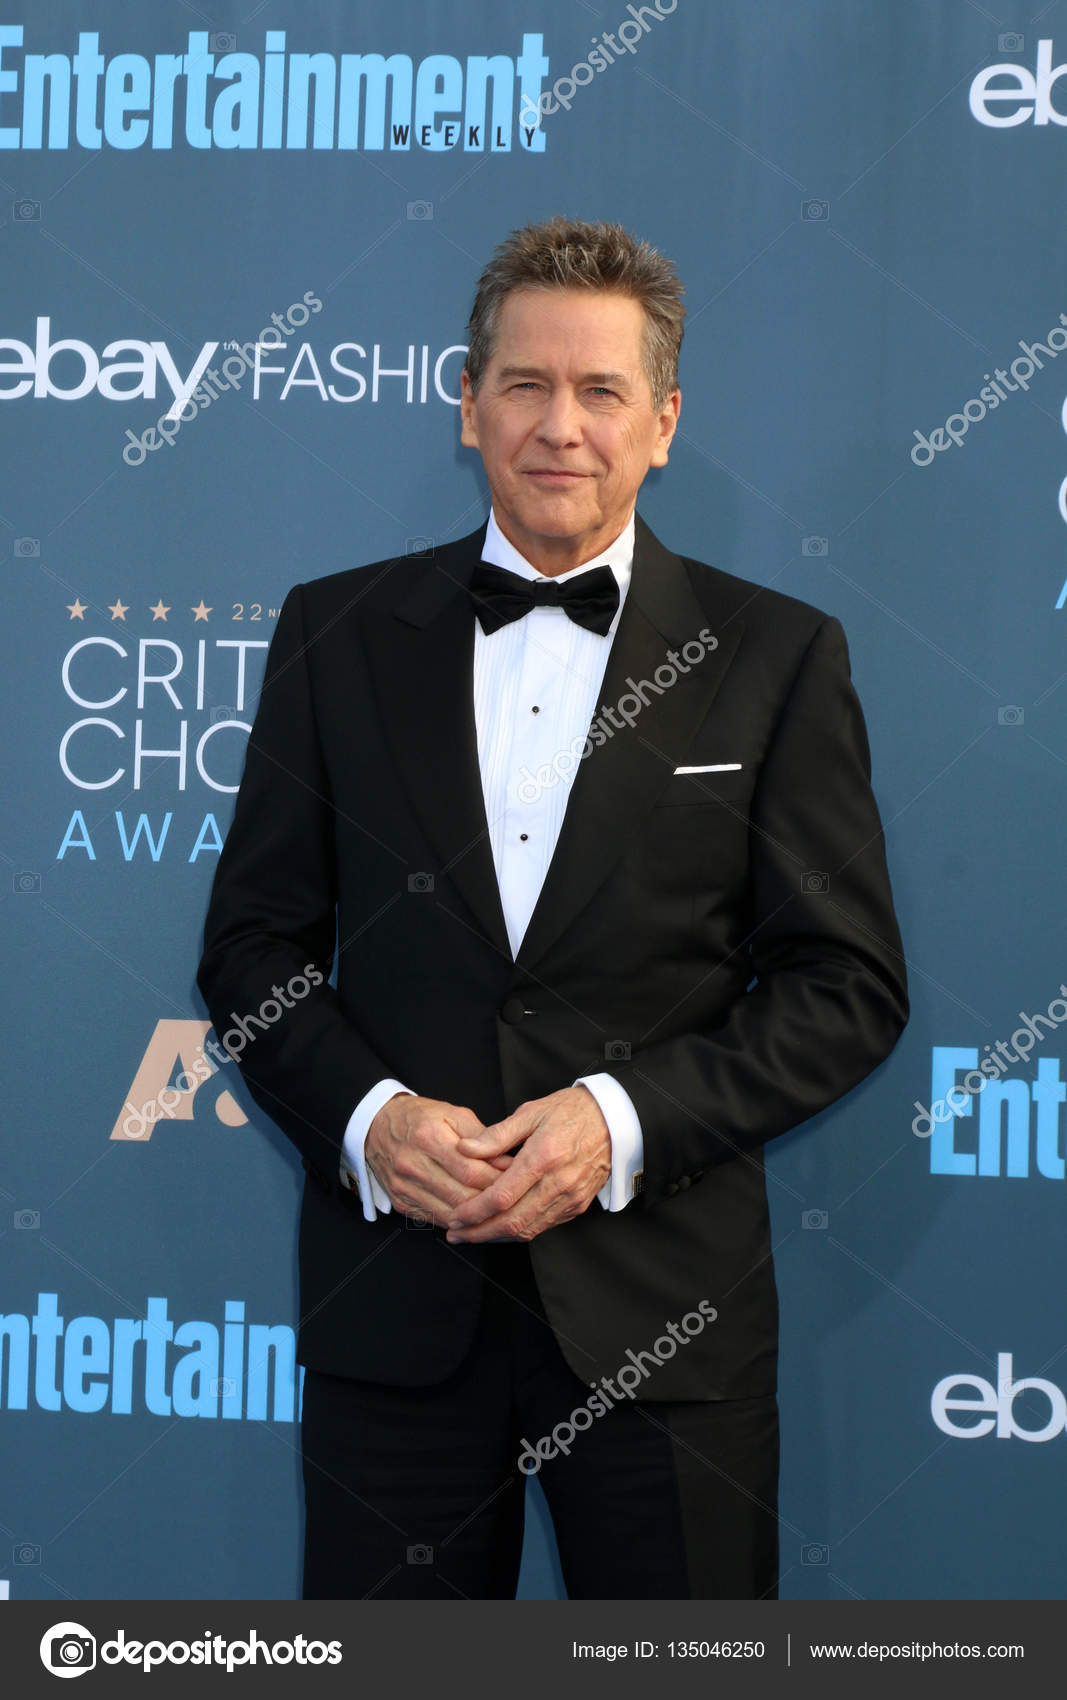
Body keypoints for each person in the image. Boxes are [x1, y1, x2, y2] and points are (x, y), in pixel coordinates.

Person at [196, 215, 908, 1601]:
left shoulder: (773, 657)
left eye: (601, 392)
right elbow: (251, 947)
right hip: (399, 1320)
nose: (559, 426)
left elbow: (846, 985)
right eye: (524, 384)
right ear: (467, 405)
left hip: (666, 1326)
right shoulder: (337, 635)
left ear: (664, 423)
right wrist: (368, 1118)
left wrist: (617, 1123)